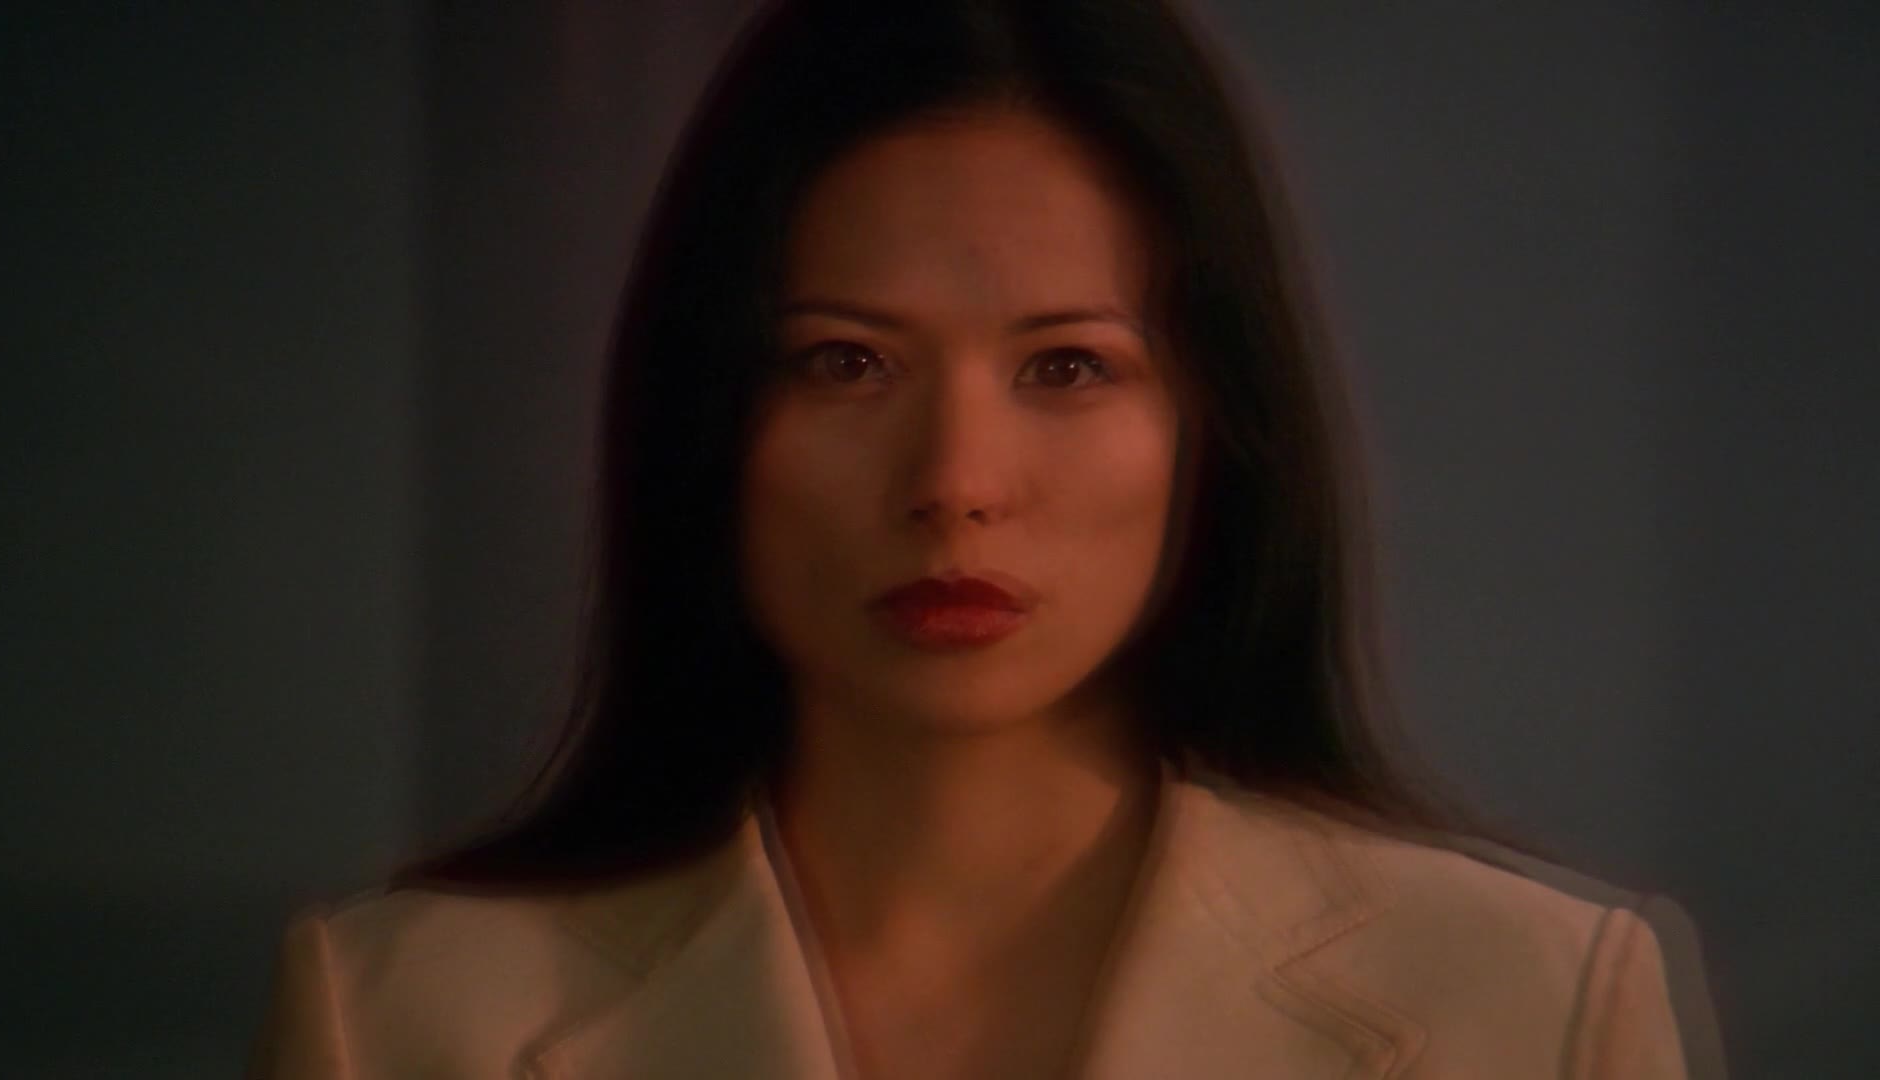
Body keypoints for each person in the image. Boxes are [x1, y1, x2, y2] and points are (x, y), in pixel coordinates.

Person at [251, 1, 1723, 1076]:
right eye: (846, 362)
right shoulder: (403, 1020)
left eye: (1067, 366)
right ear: (709, 416)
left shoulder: (1533, 1007)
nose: (955, 481)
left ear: (1214, 424)